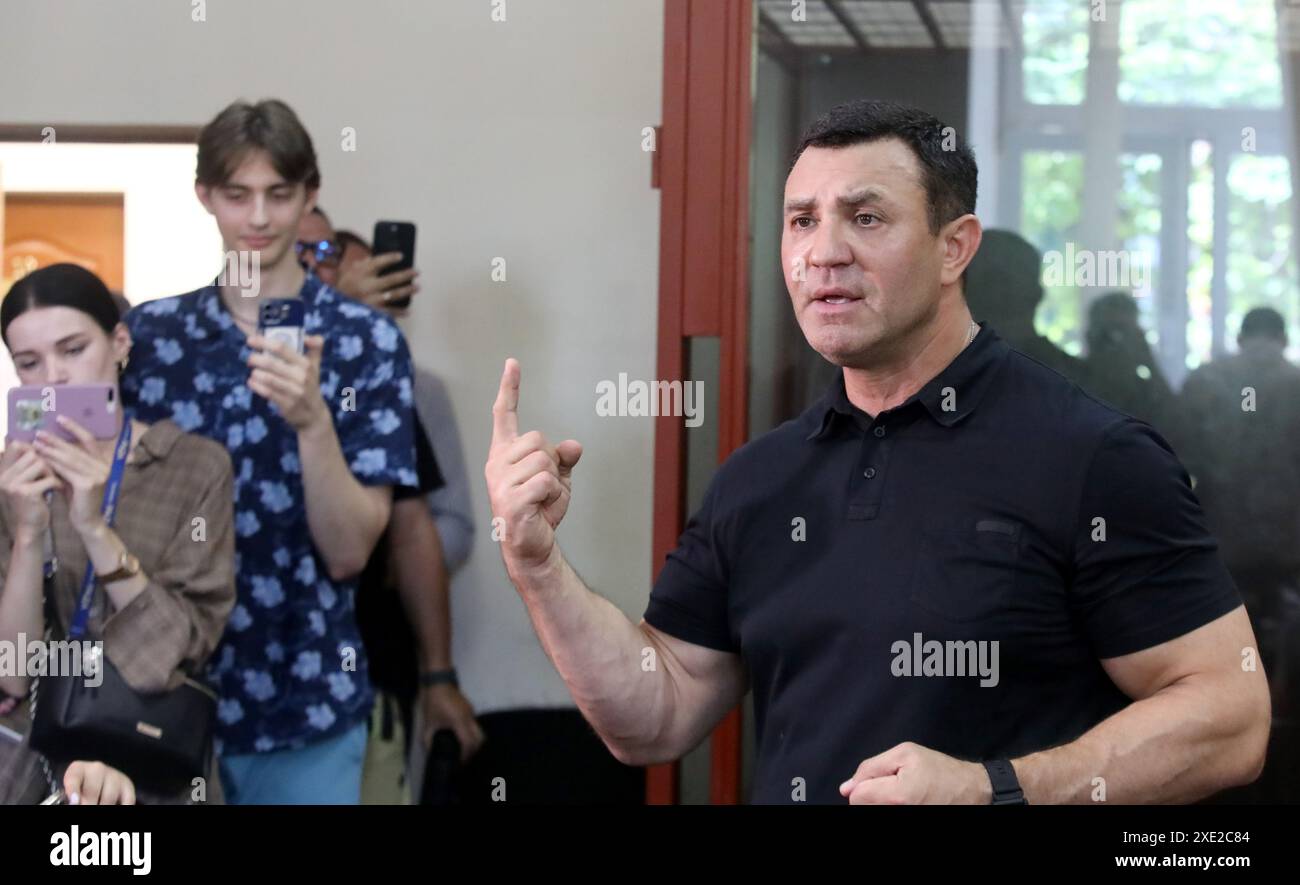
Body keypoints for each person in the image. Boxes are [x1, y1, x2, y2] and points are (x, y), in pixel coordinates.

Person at [485, 99, 1270, 804]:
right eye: (801, 220)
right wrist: (537, 566)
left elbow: (1231, 718)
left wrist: (994, 790)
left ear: (956, 247)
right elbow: (653, 718)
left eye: (865, 217)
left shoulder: (1093, 455)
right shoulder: (759, 479)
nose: (823, 251)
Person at [119, 99, 420, 805]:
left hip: (306, 696)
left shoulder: (364, 343)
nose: (258, 217)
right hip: (160, 691)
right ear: (205, 198)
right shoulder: (151, 339)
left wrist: (314, 423)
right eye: (238, 195)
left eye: (279, 195)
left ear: (309, 195)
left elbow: (349, 552)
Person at [0, 263, 236, 805]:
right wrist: (30, 533)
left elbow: (182, 644)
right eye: (30, 363)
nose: (54, 378)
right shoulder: (13, 483)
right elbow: (14, 673)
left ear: (120, 343)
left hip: (151, 753)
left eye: (74, 349)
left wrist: (92, 526)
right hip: (36, 764)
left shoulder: (193, 466)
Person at [295, 214, 482, 801]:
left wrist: (438, 674)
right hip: (252, 679)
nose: (317, 267)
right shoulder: (232, 368)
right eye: (307, 254)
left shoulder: (396, 383)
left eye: (328, 255)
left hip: (375, 659)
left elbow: (428, 524)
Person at [1178, 306, 1300, 802]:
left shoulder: (1206, 380)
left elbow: (1173, 455)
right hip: (1289, 544)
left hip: (1217, 538)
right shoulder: (1296, 384)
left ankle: (1220, 736)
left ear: (1240, 334)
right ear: (1283, 337)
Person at [964, 228, 1084, 381]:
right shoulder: (1073, 379)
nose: (999, 295)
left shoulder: (944, 376)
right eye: (989, 283)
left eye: (1004, 282)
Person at [1079, 291, 1176, 434]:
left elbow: (1176, 425)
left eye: (1124, 333)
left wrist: (1149, 362)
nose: (1115, 345)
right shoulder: (1072, 384)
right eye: (1106, 335)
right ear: (1090, 337)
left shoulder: (1147, 392)